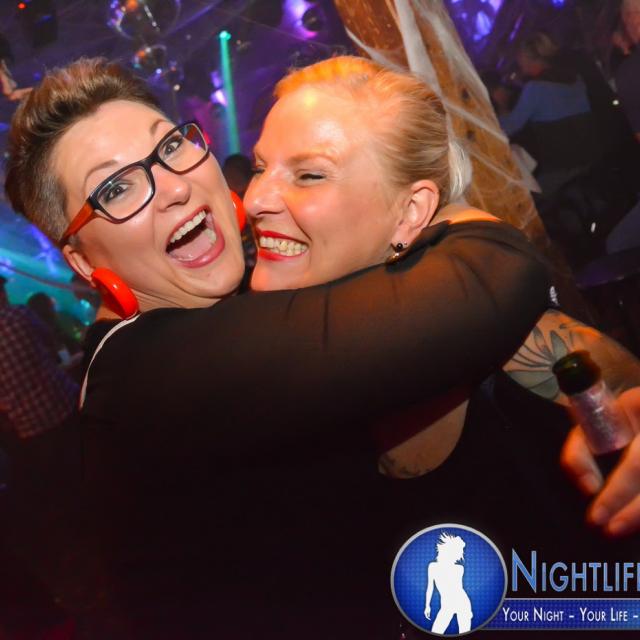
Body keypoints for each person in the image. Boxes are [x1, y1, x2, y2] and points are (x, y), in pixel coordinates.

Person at [4, 58, 549, 638]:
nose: (174, 188)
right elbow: (493, 275)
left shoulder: (236, 305)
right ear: (82, 259)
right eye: (116, 188)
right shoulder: (145, 376)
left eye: (169, 147)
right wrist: (433, 212)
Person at [244, 56, 640, 577]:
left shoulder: (512, 347)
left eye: (309, 174)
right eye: (259, 168)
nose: (255, 200)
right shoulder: (273, 375)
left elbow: (623, 403)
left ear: (410, 211)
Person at [499, 33, 600, 196]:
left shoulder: (534, 89)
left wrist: (501, 106)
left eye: (519, 56)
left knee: (526, 196)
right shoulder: (574, 78)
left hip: (562, 169)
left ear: (526, 57)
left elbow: (508, 128)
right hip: (591, 156)